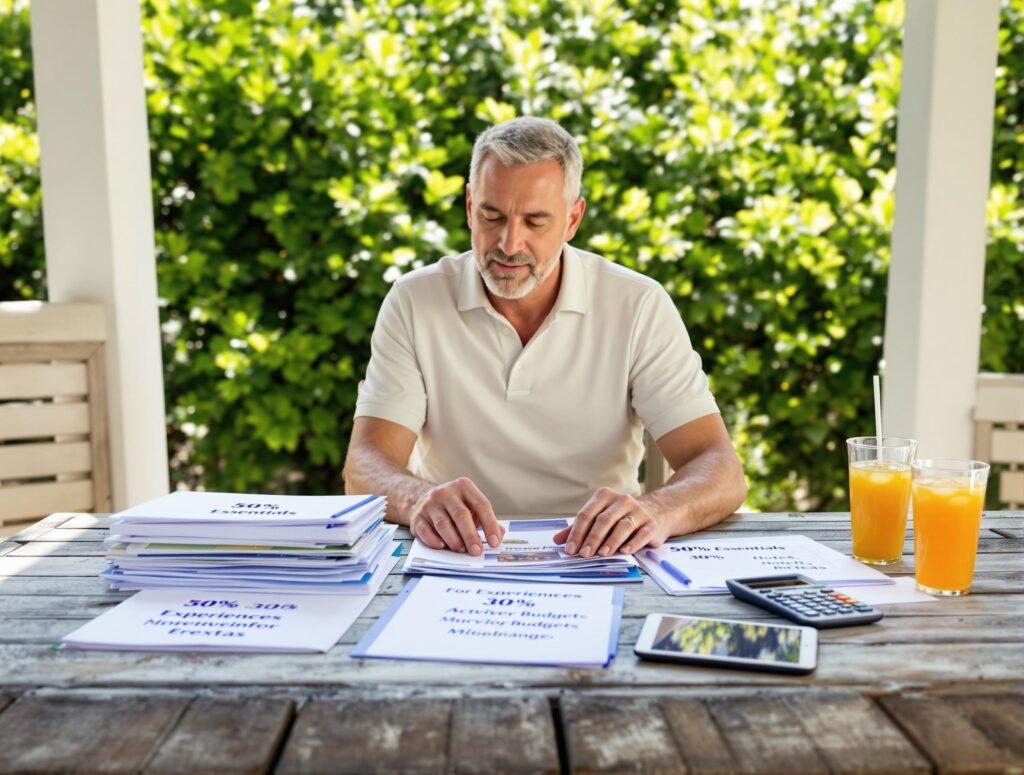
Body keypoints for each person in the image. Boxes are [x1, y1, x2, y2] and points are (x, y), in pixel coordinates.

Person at [344, 117, 746, 560]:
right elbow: (365, 467)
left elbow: (720, 469)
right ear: (469, 206)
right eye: (491, 216)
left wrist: (654, 511)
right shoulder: (413, 301)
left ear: (573, 219)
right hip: (456, 557)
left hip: (595, 558)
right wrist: (418, 498)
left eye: (535, 221)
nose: (509, 243)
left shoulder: (637, 304)